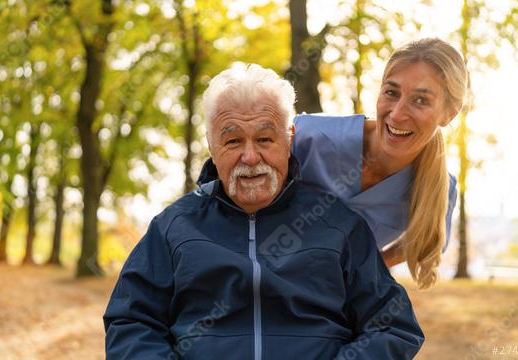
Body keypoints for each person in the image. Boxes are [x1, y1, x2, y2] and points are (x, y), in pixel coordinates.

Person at [104, 63, 424, 359]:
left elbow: (393, 327)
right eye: (232, 141)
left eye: (265, 138)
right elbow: (131, 322)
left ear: (289, 139)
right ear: (211, 146)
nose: (251, 157)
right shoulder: (174, 227)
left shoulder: (340, 226)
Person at [292, 38, 468, 289]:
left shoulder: (440, 189)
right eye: (391, 93)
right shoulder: (307, 137)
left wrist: (365, 269)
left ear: (449, 113)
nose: (397, 114)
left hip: (328, 306)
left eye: (421, 100)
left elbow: (426, 241)